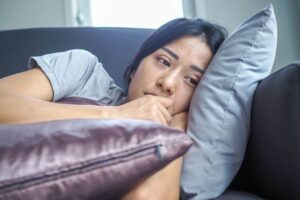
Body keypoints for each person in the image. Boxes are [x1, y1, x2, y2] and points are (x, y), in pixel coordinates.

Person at [0, 18, 226, 199]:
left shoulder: (185, 136)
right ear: (136, 65)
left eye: (192, 80)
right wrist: (116, 115)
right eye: (164, 61)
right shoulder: (83, 72)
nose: (167, 83)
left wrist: (172, 133)